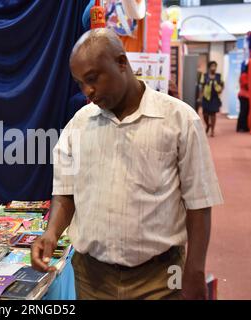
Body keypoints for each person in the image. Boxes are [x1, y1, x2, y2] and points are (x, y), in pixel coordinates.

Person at [31, 29, 223, 300]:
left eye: (93, 79)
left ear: (122, 63)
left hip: (160, 278)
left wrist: (194, 271)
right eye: (80, 83)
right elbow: (65, 193)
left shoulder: (179, 120)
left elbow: (199, 203)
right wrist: (51, 234)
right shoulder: (78, 124)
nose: (88, 91)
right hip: (91, 279)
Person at [198, 61, 224, 137]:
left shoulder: (219, 76)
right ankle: (208, 125)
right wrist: (200, 97)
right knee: (205, 114)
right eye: (212, 66)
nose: (214, 68)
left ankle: (212, 130)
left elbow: (222, 85)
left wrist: (220, 90)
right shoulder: (204, 75)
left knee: (213, 113)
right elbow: (201, 87)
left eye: (215, 66)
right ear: (209, 67)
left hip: (215, 97)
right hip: (206, 97)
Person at [237, 63, 249, 132]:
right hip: (244, 95)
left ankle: (243, 127)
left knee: (244, 111)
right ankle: (241, 127)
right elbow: (246, 85)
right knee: (243, 112)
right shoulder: (244, 75)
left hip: (244, 95)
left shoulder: (244, 75)